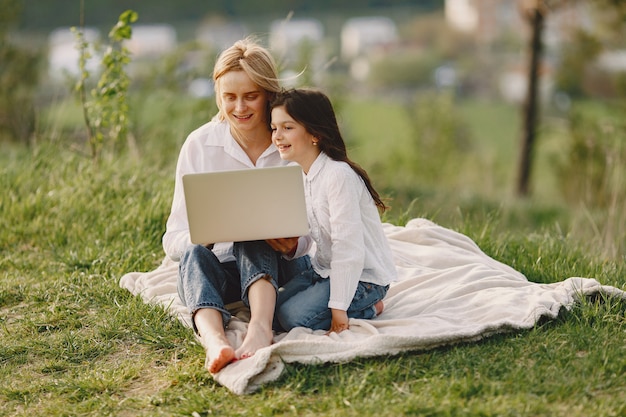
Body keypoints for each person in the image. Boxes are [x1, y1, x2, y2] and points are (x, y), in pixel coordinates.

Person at [162, 38, 309, 374]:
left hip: (281, 270)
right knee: (193, 256)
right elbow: (173, 238)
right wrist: (203, 236)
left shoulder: (291, 141)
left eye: (250, 96)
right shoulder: (199, 145)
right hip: (222, 273)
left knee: (253, 235)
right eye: (230, 97)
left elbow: (319, 231)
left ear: (269, 94)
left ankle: (260, 328)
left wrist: (294, 243)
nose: (239, 107)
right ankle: (215, 341)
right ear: (219, 97)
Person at [267, 88, 397, 334]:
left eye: (287, 127)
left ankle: (370, 307)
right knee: (267, 310)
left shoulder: (338, 175)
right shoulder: (301, 174)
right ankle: (341, 302)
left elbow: (348, 249)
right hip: (323, 270)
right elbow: (312, 231)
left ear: (314, 133)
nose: (277, 136)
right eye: (274, 128)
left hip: (363, 278)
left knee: (291, 318)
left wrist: (339, 312)